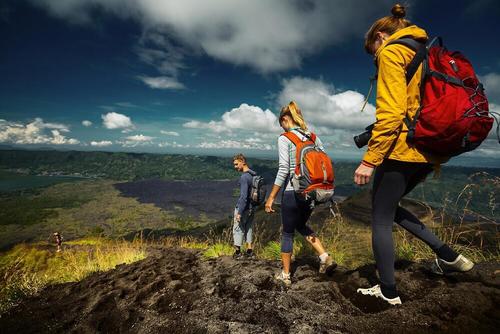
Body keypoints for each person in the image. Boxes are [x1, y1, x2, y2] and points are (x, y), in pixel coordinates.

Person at [354, 4, 474, 305]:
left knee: (380, 216)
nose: (374, 58)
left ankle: (388, 291)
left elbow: (392, 113)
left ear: (381, 36)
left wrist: (370, 159)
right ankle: (448, 256)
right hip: (429, 151)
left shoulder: (393, 52)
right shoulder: (426, 52)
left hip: (403, 149)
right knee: (390, 207)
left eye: (373, 51)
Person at [265, 101, 336, 286]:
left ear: (285, 119)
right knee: (301, 224)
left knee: (287, 233)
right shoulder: (313, 137)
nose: (281, 127)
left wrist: (271, 197)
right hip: (312, 191)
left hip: (292, 191)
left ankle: (286, 275)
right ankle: (324, 256)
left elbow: (283, 170)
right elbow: (323, 164)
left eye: (281, 123)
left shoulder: (285, 138)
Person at [232, 153, 256, 259]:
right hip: (252, 208)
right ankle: (249, 251)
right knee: (249, 228)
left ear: (243, 162)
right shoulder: (253, 175)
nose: (235, 167)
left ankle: (238, 253)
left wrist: (239, 212)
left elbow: (243, 197)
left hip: (244, 208)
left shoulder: (244, 177)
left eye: (237, 164)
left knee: (238, 228)